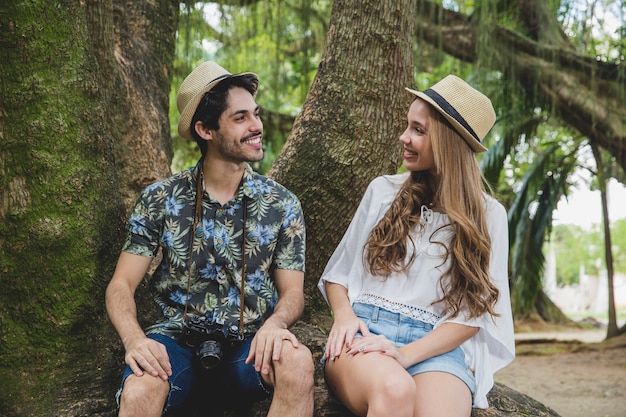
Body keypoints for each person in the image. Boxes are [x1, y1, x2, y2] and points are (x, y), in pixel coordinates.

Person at [106, 61, 314, 417]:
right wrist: (135, 341)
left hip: (249, 346)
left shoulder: (282, 204)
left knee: (298, 361)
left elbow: (293, 292)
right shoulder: (160, 199)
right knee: (140, 390)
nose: (257, 126)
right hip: (176, 344)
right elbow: (121, 285)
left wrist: (275, 325)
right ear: (205, 129)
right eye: (241, 118)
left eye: (256, 114)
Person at [318, 75, 515, 417]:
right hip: (368, 327)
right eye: (408, 126)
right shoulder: (383, 192)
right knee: (395, 391)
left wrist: (405, 353)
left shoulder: (489, 216)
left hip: (437, 347)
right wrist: (344, 316)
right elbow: (338, 275)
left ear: (449, 142)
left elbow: (473, 316)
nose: (404, 137)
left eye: (418, 130)